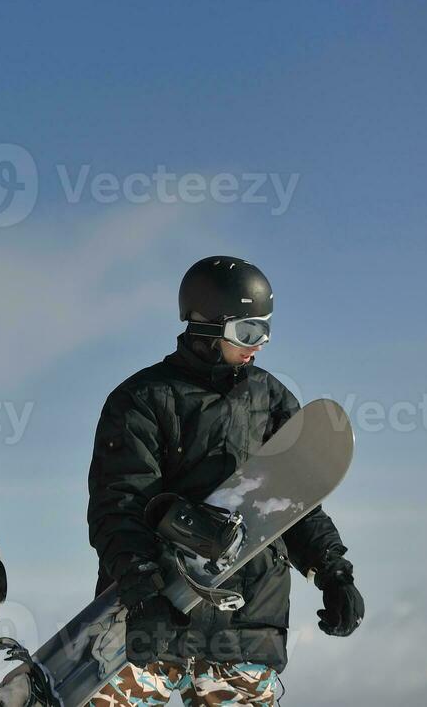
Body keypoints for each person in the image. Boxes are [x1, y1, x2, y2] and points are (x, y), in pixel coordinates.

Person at [86, 256, 364, 707]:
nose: (259, 346)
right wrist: (143, 594)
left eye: (266, 331)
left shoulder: (272, 399)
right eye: (248, 332)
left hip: (247, 631)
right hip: (157, 621)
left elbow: (294, 505)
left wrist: (333, 572)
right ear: (207, 326)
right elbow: (119, 507)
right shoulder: (140, 400)